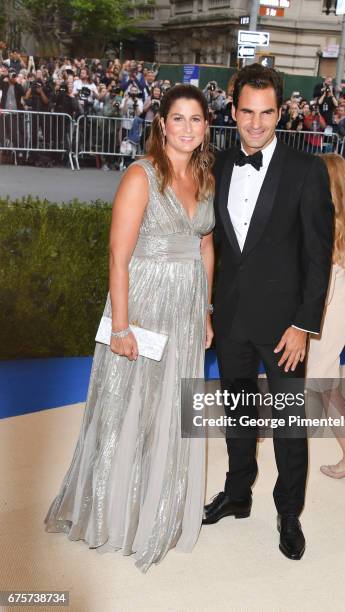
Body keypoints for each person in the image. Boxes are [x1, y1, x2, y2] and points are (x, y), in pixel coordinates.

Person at [44, 84, 215, 573]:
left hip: (185, 309)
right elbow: (118, 256)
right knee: (129, 404)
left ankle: (160, 508)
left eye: (195, 120)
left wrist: (205, 309)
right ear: (161, 124)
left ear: (206, 128)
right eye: (177, 119)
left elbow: (205, 247)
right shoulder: (141, 176)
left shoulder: (204, 177)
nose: (186, 128)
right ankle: (112, 511)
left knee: (173, 405)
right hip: (142, 304)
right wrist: (121, 327)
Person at [203, 64, 334, 561]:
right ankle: (238, 495)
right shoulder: (216, 165)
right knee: (237, 413)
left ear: (281, 113)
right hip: (232, 318)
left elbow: (318, 257)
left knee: (287, 425)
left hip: (285, 329)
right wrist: (207, 309)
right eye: (246, 112)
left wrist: (304, 324)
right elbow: (210, 244)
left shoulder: (306, 170)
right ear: (233, 112)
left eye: (267, 113)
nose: (256, 124)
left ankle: (288, 511)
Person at [307, 153, 345, 482]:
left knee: (320, 384)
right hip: (334, 307)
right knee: (323, 385)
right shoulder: (338, 216)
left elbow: (321, 282)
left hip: (326, 310)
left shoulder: (324, 220)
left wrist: (302, 322)